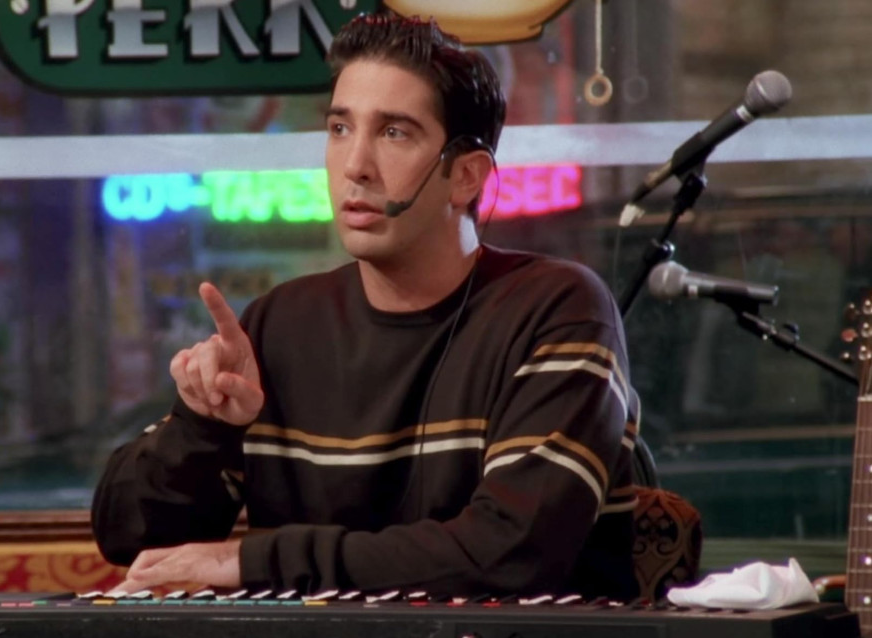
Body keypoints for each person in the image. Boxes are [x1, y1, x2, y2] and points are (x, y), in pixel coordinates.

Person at [92, 14, 639, 600]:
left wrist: (252, 562)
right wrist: (201, 427)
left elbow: (510, 553)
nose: (355, 165)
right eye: (339, 128)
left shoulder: (557, 309)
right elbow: (130, 539)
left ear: (465, 176)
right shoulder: (280, 324)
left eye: (394, 132)